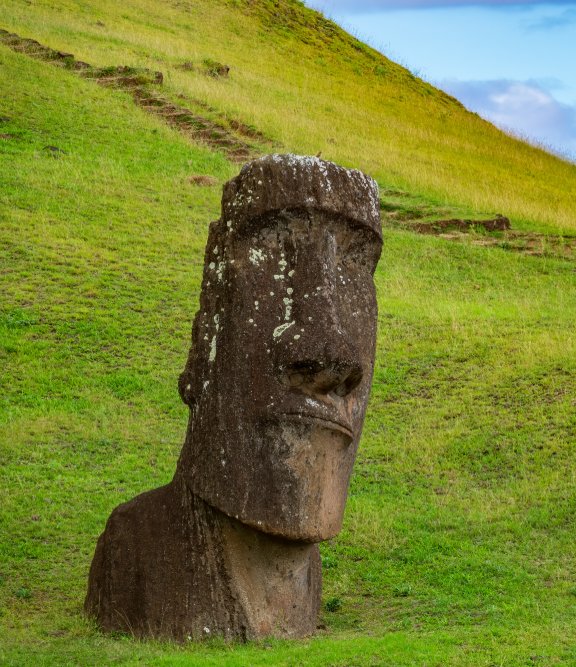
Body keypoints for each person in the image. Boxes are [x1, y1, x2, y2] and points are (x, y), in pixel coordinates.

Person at [85, 155, 382, 641]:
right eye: (273, 253)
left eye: (356, 268)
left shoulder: (308, 578)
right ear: (208, 330)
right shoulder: (136, 548)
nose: (331, 355)